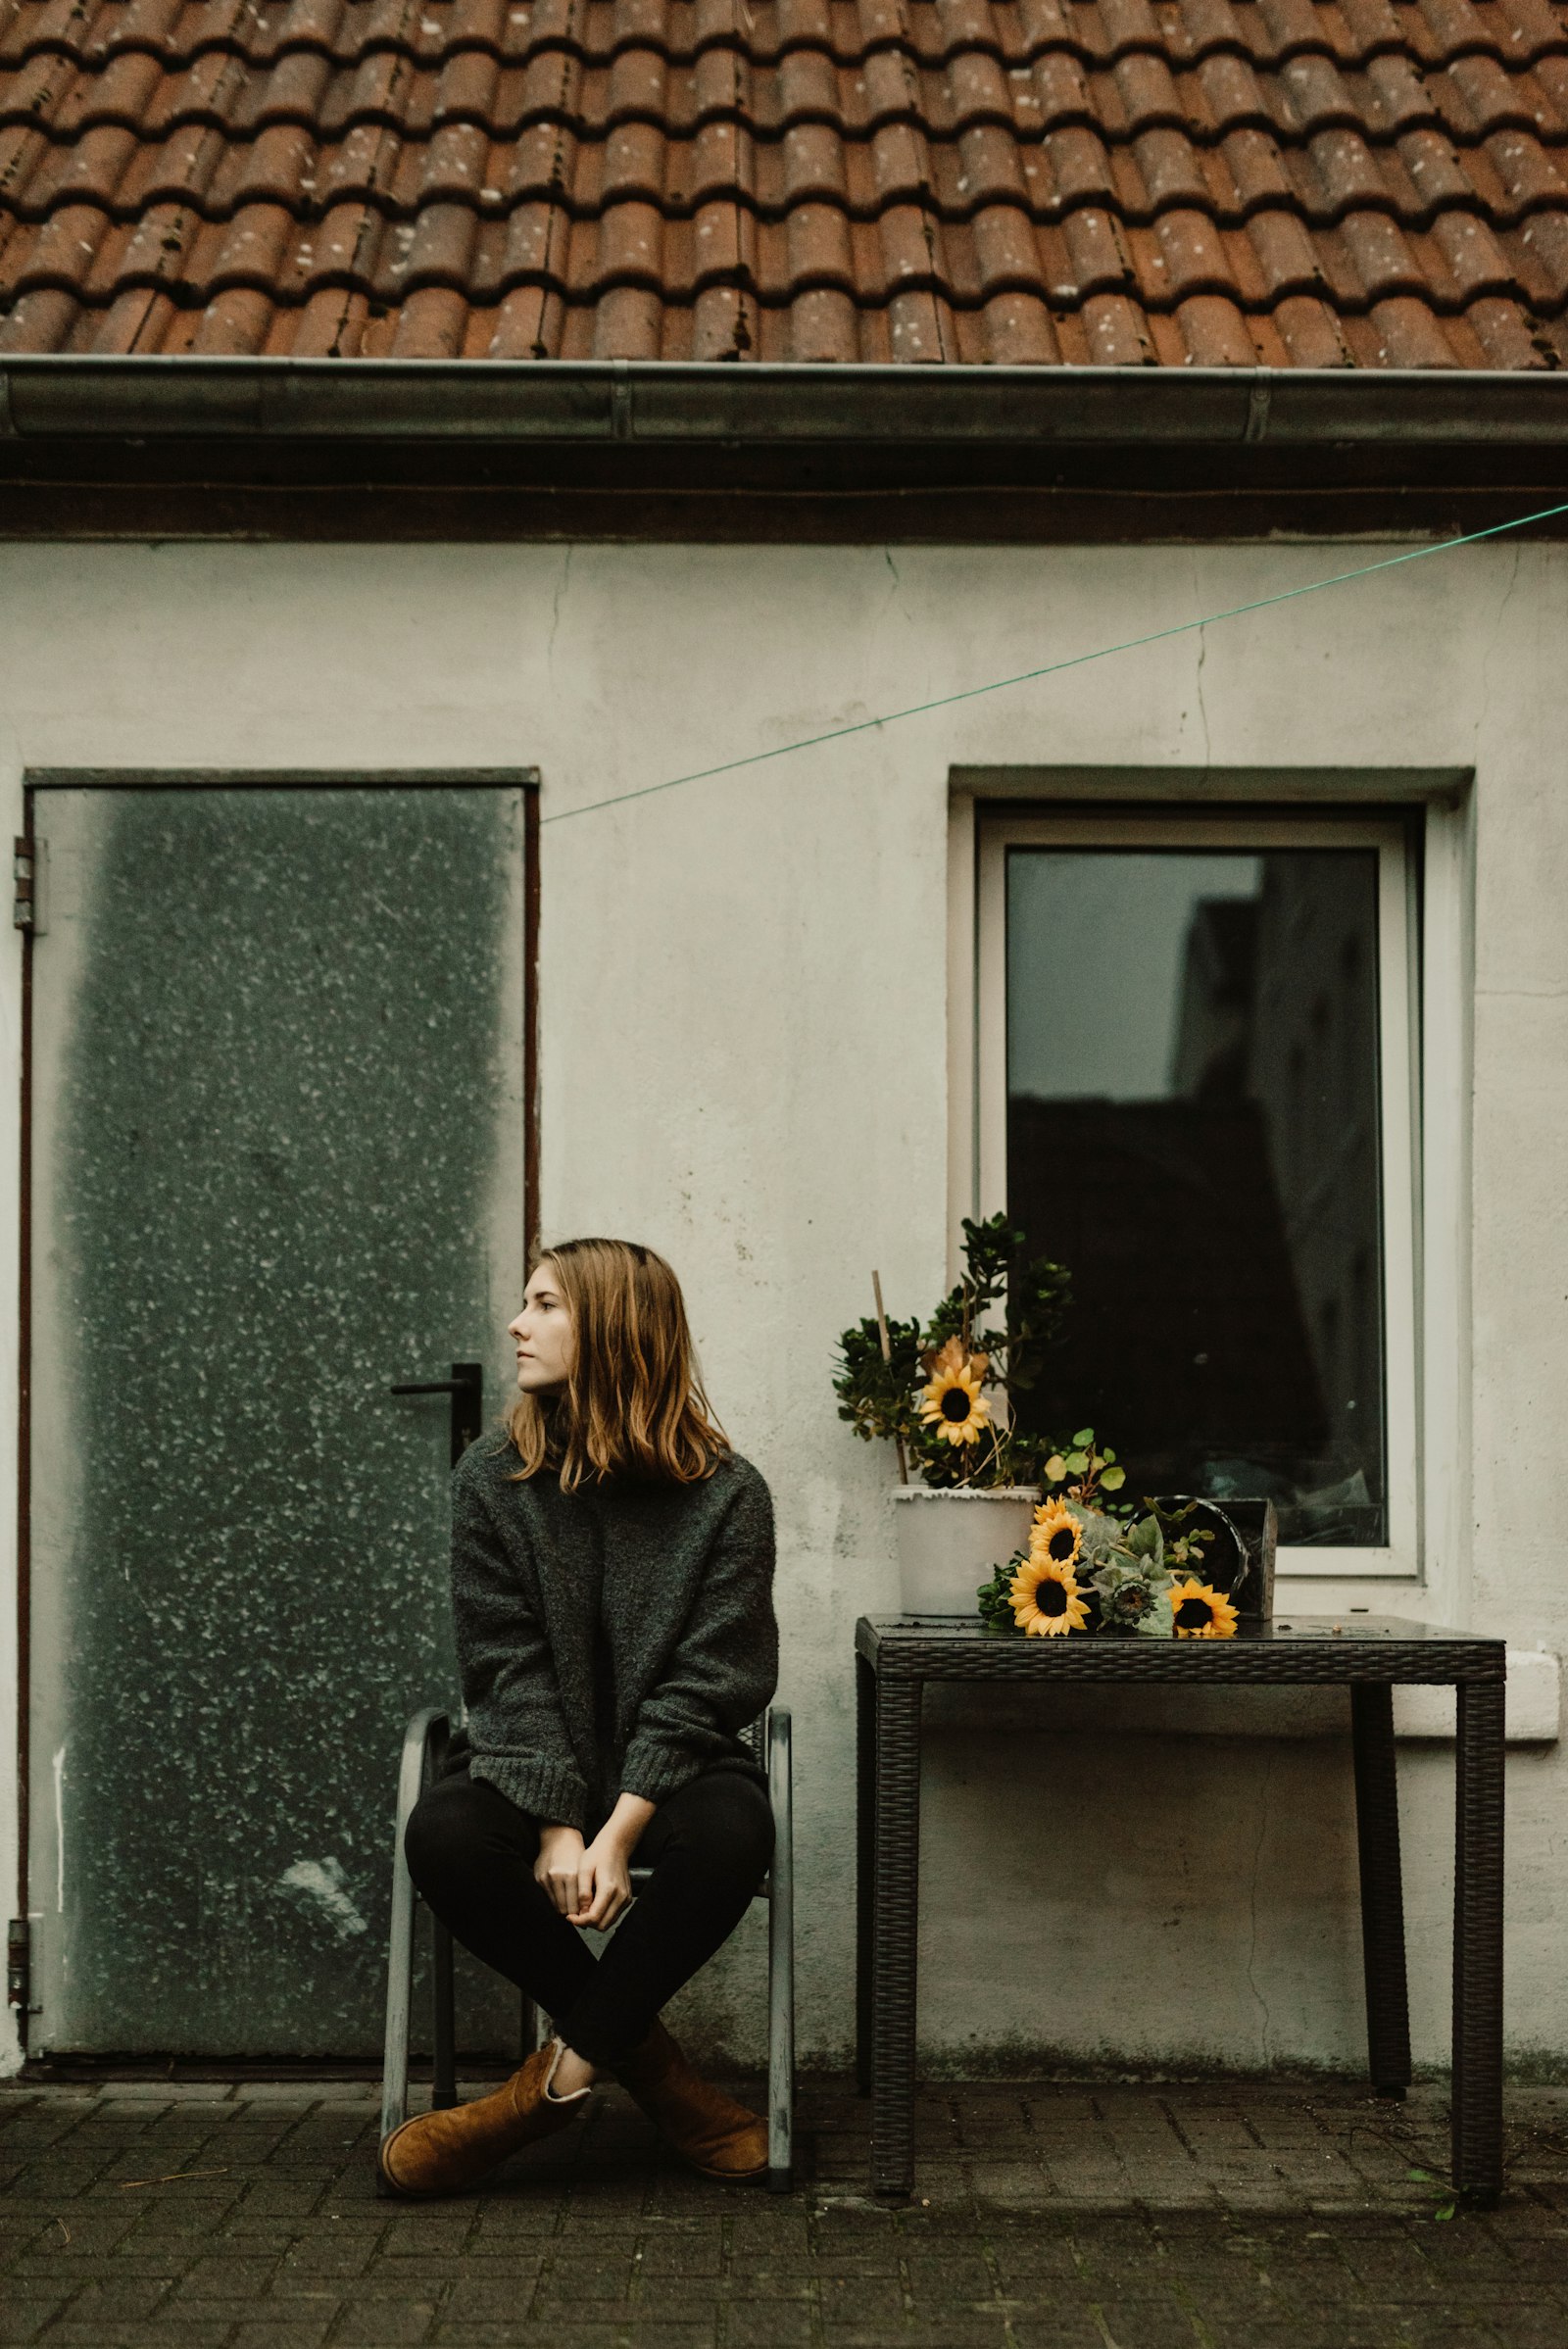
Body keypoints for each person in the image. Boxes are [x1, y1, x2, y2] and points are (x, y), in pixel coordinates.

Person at [378, 1237, 779, 2198]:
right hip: (530, 1750)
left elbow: (711, 1677)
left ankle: (537, 2098)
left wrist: (620, 1830)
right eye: (526, 1302)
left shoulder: (726, 1495)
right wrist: (561, 1826)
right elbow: (506, 1669)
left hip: (672, 1760)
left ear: (611, 1328)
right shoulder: (492, 1478)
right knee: (443, 1832)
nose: (517, 1324)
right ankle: (664, 2081)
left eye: (545, 1305)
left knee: (734, 1831)